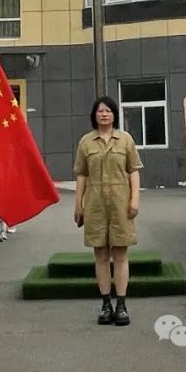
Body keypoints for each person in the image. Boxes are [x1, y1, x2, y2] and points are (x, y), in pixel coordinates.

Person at [73, 95, 143, 328]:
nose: (104, 114)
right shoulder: (86, 142)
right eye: (100, 111)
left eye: (108, 111)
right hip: (95, 204)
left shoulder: (125, 140)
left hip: (121, 203)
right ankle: (106, 304)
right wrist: (78, 204)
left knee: (121, 253)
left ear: (114, 114)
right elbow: (81, 174)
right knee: (100, 254)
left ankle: (121, 304)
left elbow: (133, 171)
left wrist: (134, 199)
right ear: (94, 115)